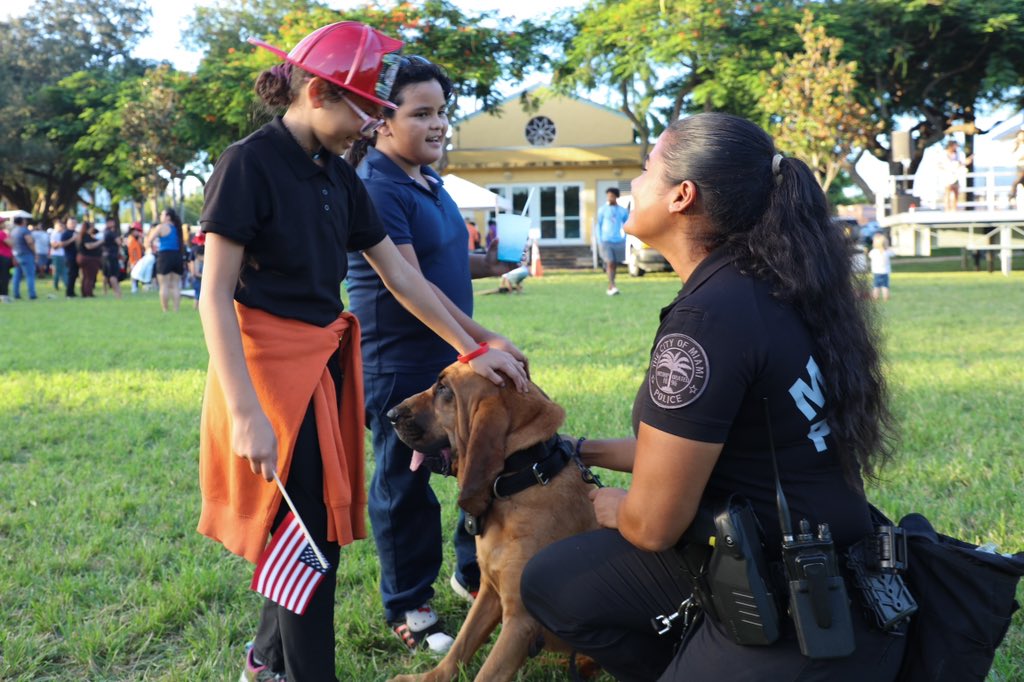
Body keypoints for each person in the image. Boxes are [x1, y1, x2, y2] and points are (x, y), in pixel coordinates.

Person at [520, 113, 904, 681]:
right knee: (556, 575)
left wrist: (614, 506)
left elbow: (652, 525)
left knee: (554, 581)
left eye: (647, 169)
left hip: (789, 595)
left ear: (682, 195)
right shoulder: (770, 286)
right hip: (844, 569)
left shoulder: (707, 319)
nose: (633, 185)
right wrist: (584, 449)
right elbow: (707, 444)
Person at [197, 22, 527, 682]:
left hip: (323, 369)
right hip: (266, 378)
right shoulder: (248, 164)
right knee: (306, 536)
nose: (370, 125)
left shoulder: (339, 178)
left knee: (307, 528)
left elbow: (403, 278)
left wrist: (474, 346)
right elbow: (214, 297)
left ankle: (264, 661)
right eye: (363, 109)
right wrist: (244, 413)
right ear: (318, 92)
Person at [345, 55, 525, 654]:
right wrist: (479, 345)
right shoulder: (375, 184)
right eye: (421, 113)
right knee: (405, 484)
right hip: (398, 361)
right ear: (378, 121)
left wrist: (497, 269)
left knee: (475, 461)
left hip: (447, 355)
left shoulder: (431, 182)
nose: (438, 124)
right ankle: (408, 604)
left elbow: (444, 268)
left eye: (442, 111)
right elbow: (407, 282)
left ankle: (470, 570)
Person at [147, 208, 185, 312]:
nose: (160, 216)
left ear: (168, 216)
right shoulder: (178, 228)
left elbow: (149, 240)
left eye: (162, 214)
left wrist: (152, 249)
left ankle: (165, 309)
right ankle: (176, 309)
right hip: (177, 256)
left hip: (164, 256)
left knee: (164, 285)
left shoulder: (161, 227)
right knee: (175, 285)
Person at [595, 187, 629, 295]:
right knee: (610, 262)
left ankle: (611, 286)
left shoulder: (621, 211)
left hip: (618, 241)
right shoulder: (602, 210)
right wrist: (599, 239)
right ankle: (612, 285)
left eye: (612, 196)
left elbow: (627, 224)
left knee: (614, 264)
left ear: (616, 197)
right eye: (608, 196)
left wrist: (625, 237)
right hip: (606, 240)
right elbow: (598, 225)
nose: (610, 198)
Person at [938, 140, 971, 211]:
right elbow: (940, 165)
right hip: (947, 176)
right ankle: (947, 209)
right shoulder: (944, 154)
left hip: (955, 176)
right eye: (955, 145)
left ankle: (954, 209)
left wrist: (965, 163)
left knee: (956, 192)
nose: (956, 147)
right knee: (947, 192)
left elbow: (959, 164)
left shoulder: (957, 154)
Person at [10, 216, 37, 301]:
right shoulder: (24, 230)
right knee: (30, 275)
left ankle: (16, 294)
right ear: (22, 221)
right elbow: (29, 241)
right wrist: (35, 252)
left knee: (17, 276)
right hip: (26, 255)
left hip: (17, 255)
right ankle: (32, 294)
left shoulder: (13, 231)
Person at [54, 216, 80, 297]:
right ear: (67, 224)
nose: (73, 225)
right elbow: (61, 244)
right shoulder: (65, 233)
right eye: (71, 223)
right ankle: (69, 292)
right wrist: (72, 239)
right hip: (69, 257)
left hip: (76, 256)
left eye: (74, 223)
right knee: (70, 274)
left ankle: (71, 291)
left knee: (75, 275)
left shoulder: (76, 233)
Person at [100, 216, 123, 298]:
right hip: (112, 256)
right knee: (113, 275)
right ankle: (117, 293)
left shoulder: (105, 232)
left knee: (106, 275)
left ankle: (104, 291)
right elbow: (119, 242)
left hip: (105, 255)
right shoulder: (111, 232)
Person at [869, 232, 893, 301]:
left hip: (876, 272)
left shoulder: (873, 252)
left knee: (876, 286)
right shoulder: (887, 252)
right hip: (885, 272)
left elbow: (869, 255)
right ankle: (886, 298)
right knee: (885, 286)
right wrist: (887, 248)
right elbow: (893, 254)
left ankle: (875, 297)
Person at [126, 223, 145, 293]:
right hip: (134, 260)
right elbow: (133, 251)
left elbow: (142, 248)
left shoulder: (135, 240)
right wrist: (136, 260)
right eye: (136, 231)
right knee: (134, 275)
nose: (138, 232)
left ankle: (136, 287)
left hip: (137, 260)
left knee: (137, 275)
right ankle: (134, 288)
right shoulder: (131, 239)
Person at [50, 222, 67, 293]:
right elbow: (54, 246)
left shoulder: (62, 234)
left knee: (64, 271)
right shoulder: (54, 234)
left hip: (63, 255)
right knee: (58, 271)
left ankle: (66, 284)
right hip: (57, 255)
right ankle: (56, 284)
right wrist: (62, 244)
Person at [0, 217, 13, 303]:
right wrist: (8, 233)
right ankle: (4, 295)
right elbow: (11, 243)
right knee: (4, 277)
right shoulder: (2, 233)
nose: (5, 224)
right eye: (3, 222)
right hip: (3, 256)